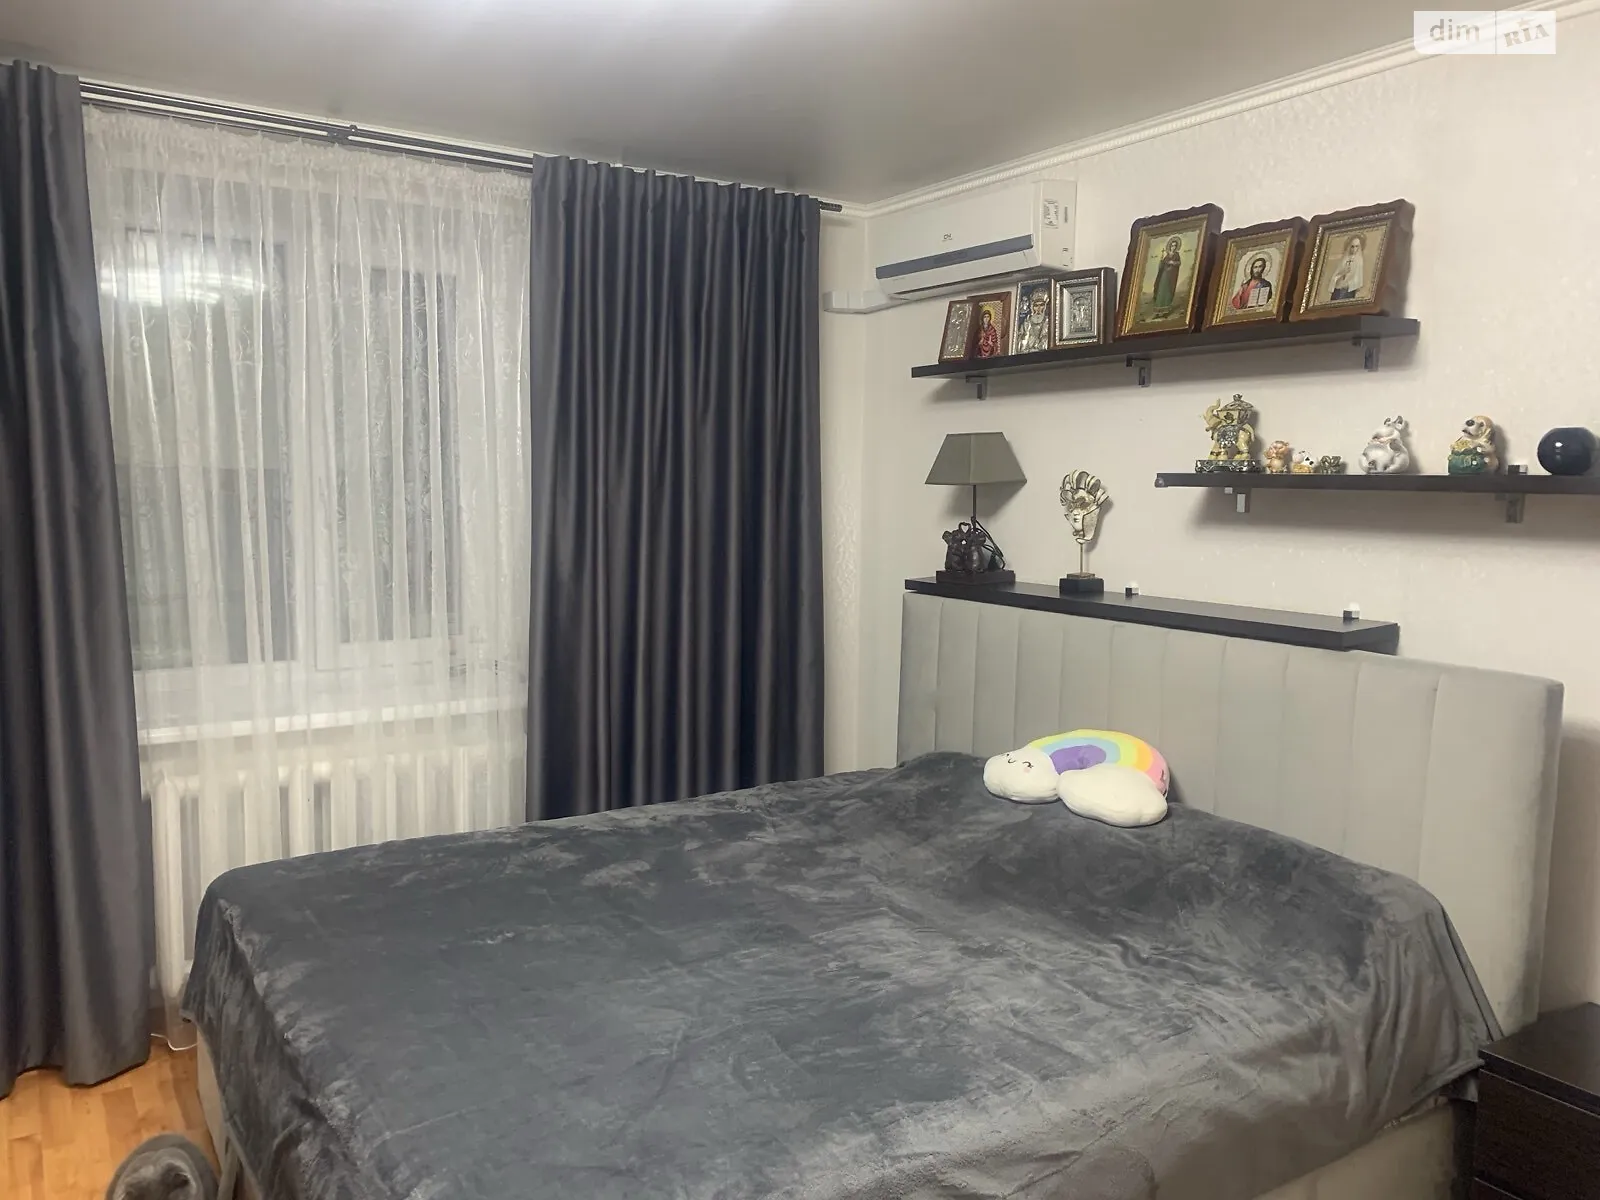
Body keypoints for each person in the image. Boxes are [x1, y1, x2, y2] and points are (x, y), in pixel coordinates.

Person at [1149, 236, 1184, 315]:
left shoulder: (1176, 255)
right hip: (1164, 276)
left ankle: (1166, 311)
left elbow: (1178, 263)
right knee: (1161, 291)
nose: (1173, 247)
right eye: (1172, 245)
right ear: (1170, 246)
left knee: (1168, 292)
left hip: (1171, 277)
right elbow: (1162, 266)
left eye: (1175, 246)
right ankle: (1158, 311)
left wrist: (1172, 263)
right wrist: (1161, 262)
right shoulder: (1167, 255)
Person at [1328, 234, 1365, 301]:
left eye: (1356, 246)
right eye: (1352, 246)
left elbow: (1357, 280)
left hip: (1348, 290)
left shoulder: (1359, 261)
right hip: (1338, 289)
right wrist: (1342, 273)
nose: (1354, 249)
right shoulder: (1344, 259)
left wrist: (1348, 283)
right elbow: (1335, 276)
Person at [1015, 288, 1050, 353]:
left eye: (1041, 305)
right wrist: (1026, 333)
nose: (1039, 308)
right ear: (1032, 307)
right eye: (1036, 305)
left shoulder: (1047, 322)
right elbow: (1020, 346)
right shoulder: (1026, 322)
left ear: (1045, 306)